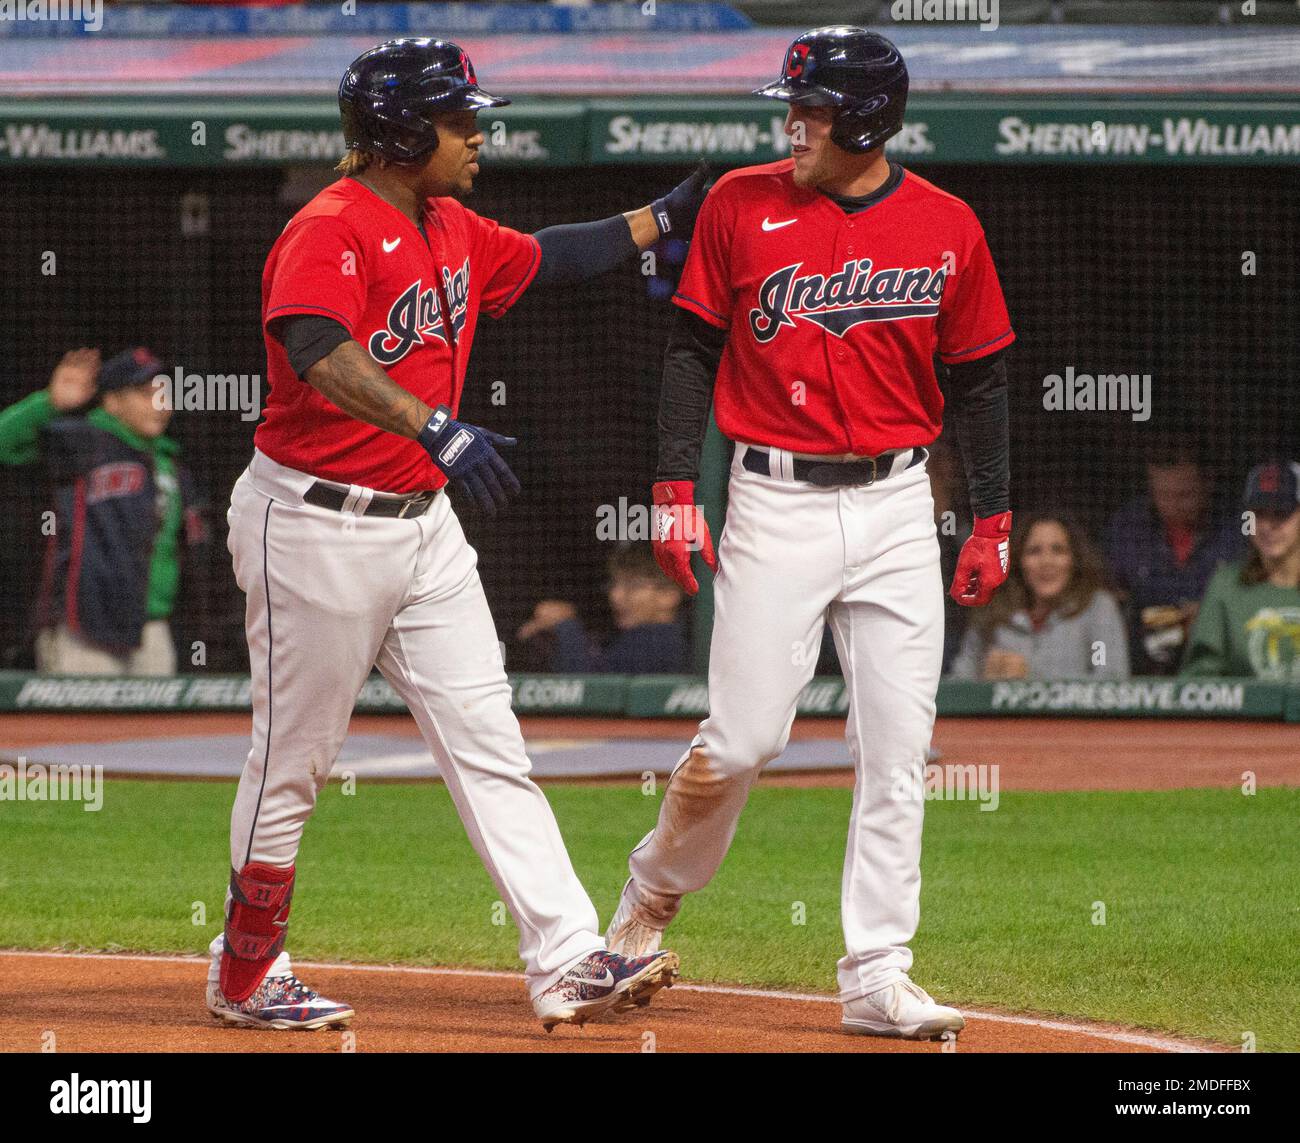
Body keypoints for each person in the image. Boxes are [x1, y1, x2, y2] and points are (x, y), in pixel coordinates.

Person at [205, 38, 707, 1033]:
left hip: (421, 527)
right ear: (400, 132)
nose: (478, 134)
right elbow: (315, 350)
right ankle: (247, 971)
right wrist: (432, 425)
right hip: (312, 523)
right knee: (290, 766)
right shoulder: (330, 228)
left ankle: (565, 958)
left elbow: (555, 253)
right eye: (459, 120)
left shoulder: (450, 226)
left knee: (489, 743)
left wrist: (662, 218)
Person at [604, 27, 1016, 1041]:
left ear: (866, 119)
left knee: (896, 747)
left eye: (813, 107)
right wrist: (670, 484)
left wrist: (994, 514)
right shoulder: (741, 203)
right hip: (774, 500)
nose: (791, 121)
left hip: (895, 506)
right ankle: (645, 901)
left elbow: (981, 376)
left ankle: (876, 969)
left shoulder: (947, 223)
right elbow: (691, 348)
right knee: (743, 739)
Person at [0, 346, 208, 676]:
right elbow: (3, 443)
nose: (160, 404)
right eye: (144, 393)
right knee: (83, 729)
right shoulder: (83, 441)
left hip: (152, 627)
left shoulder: (172, 462)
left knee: (159, 730)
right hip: (83, 625)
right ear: (111, 401)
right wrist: (49, 403)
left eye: (165, 394)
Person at [1104, 438, 1241, 675]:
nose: (1173, 505)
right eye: (1163, 495)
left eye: (1185, 495)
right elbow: (1109, 597)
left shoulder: (1238, 530)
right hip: (1143, 663)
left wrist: (1210, 615)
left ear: (1208, 483)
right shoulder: (1128, 527)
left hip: (1217, 663)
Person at [949, 514, 1129, 680]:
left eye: (1058, 550)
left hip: (1071, 717)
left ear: (1074, 559)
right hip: (1002, 716)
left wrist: (1030, 675)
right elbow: (959, 681)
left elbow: (1111, 680)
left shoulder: (1098, 608)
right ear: (1018, 560)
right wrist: (983, 678)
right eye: (1034, 551)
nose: (1046, 562)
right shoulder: (994, 611)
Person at [1182, 460, 1300, 681]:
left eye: (1281, 514)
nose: (1267, 525)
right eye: (1258, 513)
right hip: (1248, 716)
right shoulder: (1226, 585)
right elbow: (1199, 681)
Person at [518, 544, 689, 673]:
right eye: (614, 585)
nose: (615, 596)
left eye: (632, 586)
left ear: (669, 594)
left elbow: (588, 686)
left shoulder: (660, 641)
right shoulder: (632, 637)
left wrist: (564, 625)